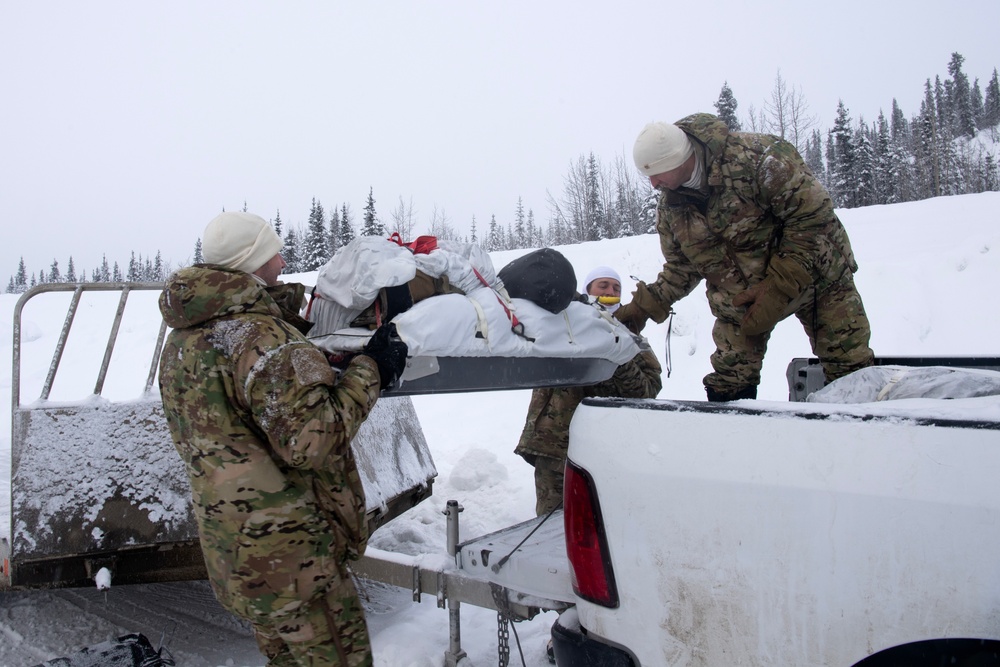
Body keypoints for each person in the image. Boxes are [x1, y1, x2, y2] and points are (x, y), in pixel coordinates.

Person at [158, 211, 408, 666]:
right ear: (251, 259)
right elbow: (314, 440)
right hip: (295, 559)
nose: (283, 257)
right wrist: (372, 369)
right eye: (273, 249)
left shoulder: (183, 340)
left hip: (236, 550)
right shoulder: (262, 336)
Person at [616, 113, 875, 401]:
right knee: (728, 382)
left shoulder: (756, 158)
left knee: (851, 371)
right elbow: (682, 268)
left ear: (678, 159)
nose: (653, 184)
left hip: (820, 279)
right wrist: (641, 308)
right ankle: (737, 441)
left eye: (656, 173)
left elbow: (813, 217)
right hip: (743, 303)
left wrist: (778, 287)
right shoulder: (672, 209)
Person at [515, 266, 662, 517]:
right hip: (555, 446)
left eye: (616, 288)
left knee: (600, 524)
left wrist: (618, 352)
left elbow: (647, 390)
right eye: (602, 285)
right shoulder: (562, 323)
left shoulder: (632, 338)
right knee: (552, 525)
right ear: (588, 291)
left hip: (609, 450)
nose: (610, 292)